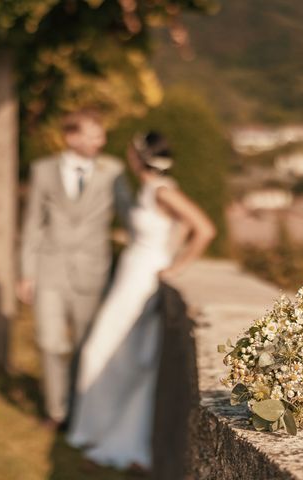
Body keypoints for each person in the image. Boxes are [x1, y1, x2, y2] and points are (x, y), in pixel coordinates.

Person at [67, 131, 216, 471]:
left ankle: (95, 430)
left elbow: (204, 229)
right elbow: (178, 230)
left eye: (131, 150)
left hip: (141, 280)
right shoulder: (151, 188)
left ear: (139, 155)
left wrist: (175, 266)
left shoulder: (162, 190)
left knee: (100, 352)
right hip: (132, 275)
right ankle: (97, 429)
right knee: (117, 355)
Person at [18, 109, 133, 429]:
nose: (101, 141)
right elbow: (32, 225)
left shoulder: (113, 171)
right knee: (50, 343)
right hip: (49, 270)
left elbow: (129, 215)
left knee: (85, 345)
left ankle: (79, 410)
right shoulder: (42, 171)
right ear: (71, 137)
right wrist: (27, 273)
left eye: (101, 135)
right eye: (93, 134)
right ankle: (56, 411)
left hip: (92, 271)